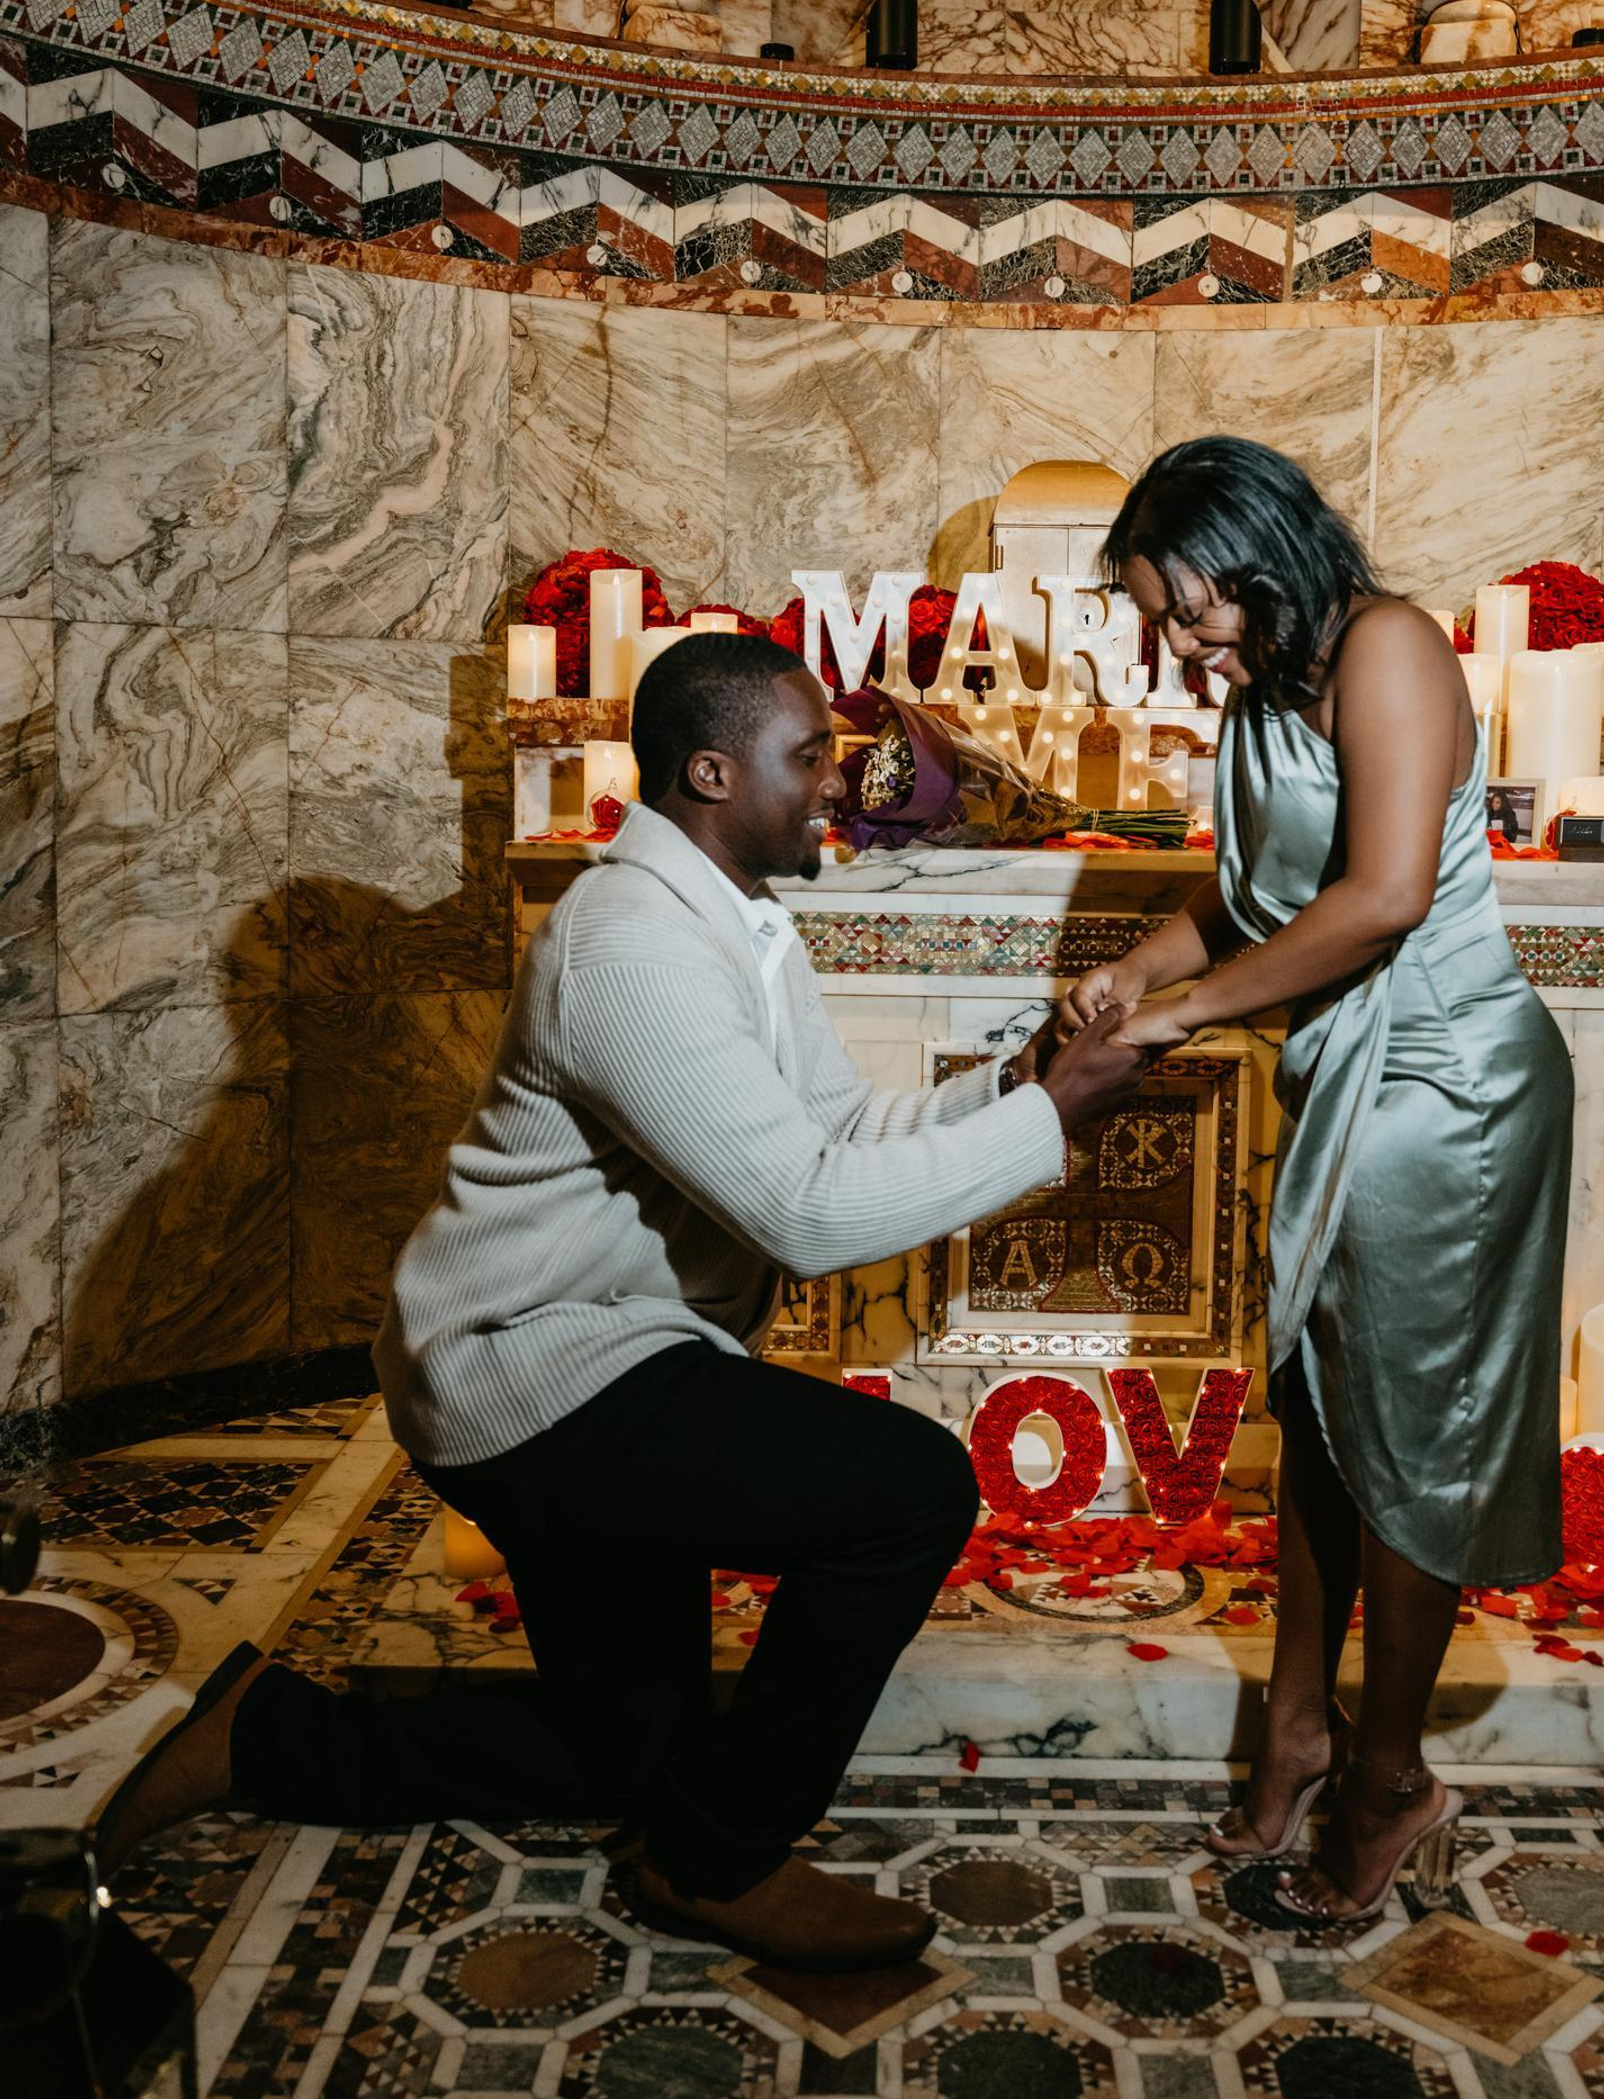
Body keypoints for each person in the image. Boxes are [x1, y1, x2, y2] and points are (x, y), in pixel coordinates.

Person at [94, 634, 1145, 1970]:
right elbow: (806, 1214)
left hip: (606, 1355)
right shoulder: (630, 946)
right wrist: (1052, 1122)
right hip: (534, 1379)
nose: (840, 782)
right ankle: (717, 1861)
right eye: (810, 756)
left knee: (620, 1747)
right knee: (909, 1490)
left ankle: (262, 1736)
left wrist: (1017, 1087)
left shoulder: (738, 921)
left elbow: (835, 1126)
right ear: (713, 773)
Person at [1063, 438, 1572, 1926]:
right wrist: (1135, 969)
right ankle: (1299, 1729)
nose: (1179, 645)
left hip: (1447, 1088)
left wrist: (1179, 1017)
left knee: (1409, 1438)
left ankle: (1391, 1779)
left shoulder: (1388, 646)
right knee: (1323, 1414)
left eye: (1187, 608)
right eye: (1160, 620)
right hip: (1353, 1077)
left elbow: (1385, 897)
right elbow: (1249, 901)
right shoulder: (1265, 691)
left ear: (1260, 550)